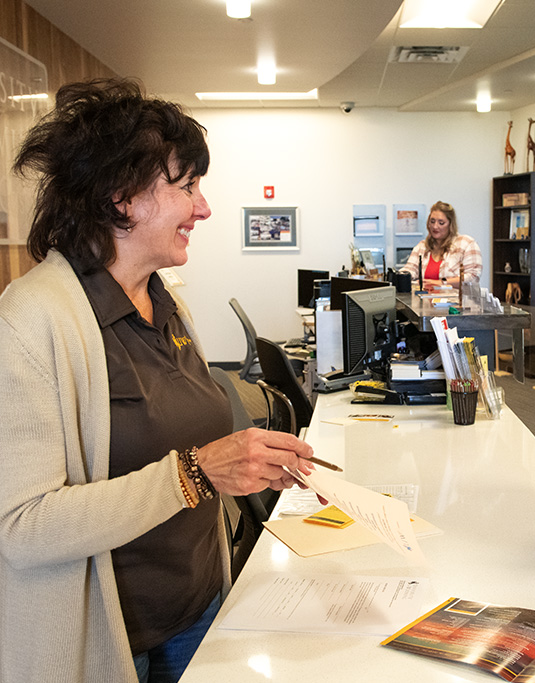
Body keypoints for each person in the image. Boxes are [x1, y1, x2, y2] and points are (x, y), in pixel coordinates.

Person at [0, 78, 316, 683]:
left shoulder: (165, 303)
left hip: (199, 609)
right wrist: (194, 473)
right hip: (113, 640)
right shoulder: (31, 320)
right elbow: (21, 527)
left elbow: (193, 442)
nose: (204, 207)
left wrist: (249, 464)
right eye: (188, 186)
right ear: (121, 197)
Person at [402, 201, 482, 287]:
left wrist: (442, 283)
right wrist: (398, 276)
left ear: (450, 224)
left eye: (441, 223)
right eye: (432, 221)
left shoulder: (466, 243)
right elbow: (410, 269)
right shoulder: (422, 246)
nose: (435, 226)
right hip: (425, 299)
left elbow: (473, 277)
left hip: (456, 300)